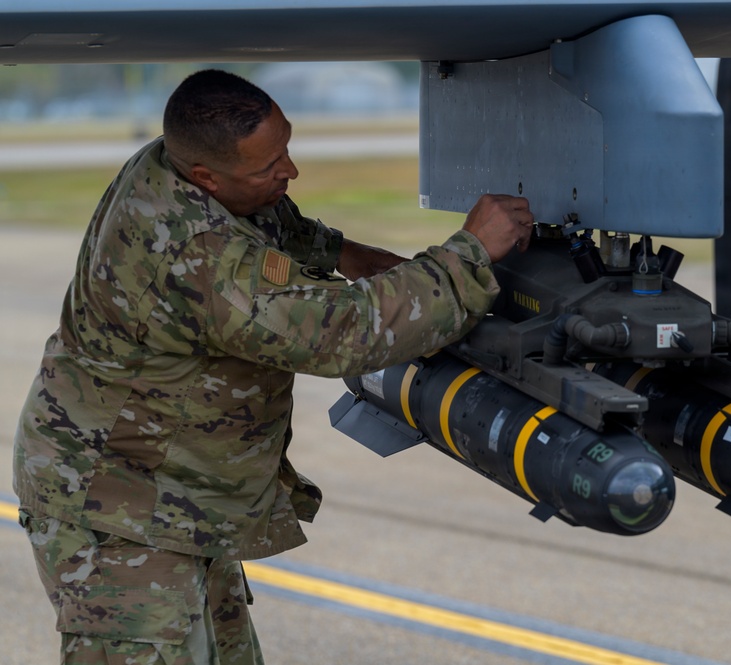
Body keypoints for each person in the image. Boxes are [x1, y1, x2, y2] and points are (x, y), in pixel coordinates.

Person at [12, 68, 533, 664]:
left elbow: (271, 224)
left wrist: (352, 256)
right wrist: (465, 256)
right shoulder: (195, 256)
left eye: (285, 149)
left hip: (179, 498)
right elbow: (344, 334)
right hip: (117, 514)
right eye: (268, 167)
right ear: (206, 176)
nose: (290, 171)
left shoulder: (176, 160)